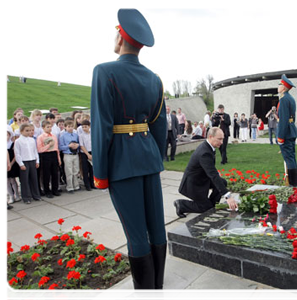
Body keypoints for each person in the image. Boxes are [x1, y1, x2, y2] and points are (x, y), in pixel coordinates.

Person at [90, 8, 167, 300]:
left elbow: (102, 127)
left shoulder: (104, 71)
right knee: (155, 228)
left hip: (122, 163)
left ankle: (143, 296)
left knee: (136, 233)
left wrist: (100, 173)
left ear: (121, 35)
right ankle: (156, 289)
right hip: (148, 159)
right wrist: (154, 159)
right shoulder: (154, 78)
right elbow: (158, 125)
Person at [174, 127, 238, 217]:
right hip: (193, 184)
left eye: (222, 139)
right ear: (211, 137)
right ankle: (181, 204)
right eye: (219, 139)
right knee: (205, 208)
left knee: (222, 182)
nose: (222, 142)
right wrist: (228, 196)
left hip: (201, 179)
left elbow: (209, 169)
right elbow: (213, 176)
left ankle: (211, 205)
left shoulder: (208, 146)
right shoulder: (205, 152)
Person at [277, 74, 297, 186]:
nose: (278, 86)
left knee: (289, 159)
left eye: (280, 84)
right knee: (292, 158)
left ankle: (293, 186)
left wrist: (280, 137)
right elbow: (292, 118)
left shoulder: (284, 99)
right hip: (291, 131)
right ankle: (294, 185)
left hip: (286, 133)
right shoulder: (290, 98)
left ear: (284, 87)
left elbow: (283, 120)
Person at [14, 124, 41, 204]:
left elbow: (35, 151)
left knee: (34, 179)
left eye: (30, 130)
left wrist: (37, 161)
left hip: (32, 160)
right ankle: (26, 197)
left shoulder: (32, 140)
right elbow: (17, 153)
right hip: (24, 161)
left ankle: (36, 195)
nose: (29, 132)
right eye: (27, 131)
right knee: (25, 180)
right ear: (21, 131)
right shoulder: (18, 141)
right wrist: (21, 164)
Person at [37, 120, 61, 198]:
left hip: (53, 154)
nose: (49, 128)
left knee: (55, 173)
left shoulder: (53, 136)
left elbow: (56, 148)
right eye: (47, 127)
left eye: (50, 127)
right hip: (45, 155)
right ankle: (47, 190)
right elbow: (40, 149)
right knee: (46, 174)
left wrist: (58, 158)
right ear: (43, 128)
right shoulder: (40, 137)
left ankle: (55, 189)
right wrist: (48, 145)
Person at [59, 120, 80, 193]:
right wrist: (68, 146)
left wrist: (77, 146)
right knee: (69, 171)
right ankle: (70, 187)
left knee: (76, 170)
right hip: (68, 154)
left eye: (71, 127)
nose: (70, 128)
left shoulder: (75, 135)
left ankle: (76, 185)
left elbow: (79, 143)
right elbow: (60, 147)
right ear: (65, 127)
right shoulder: (63, 136)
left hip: (75, 154)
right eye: (69, 127)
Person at [5, 125, 21, 204]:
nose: (5, 137)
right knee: (6, 181)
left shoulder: (12, 144)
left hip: (12, 163)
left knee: (12, 180)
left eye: (6, 135)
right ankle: (11, 195)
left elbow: (15, 155)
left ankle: (17, 194)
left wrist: (10, 164)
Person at [79, 120, 95, 190]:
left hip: (92, 152)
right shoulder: (81, 135)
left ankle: (93, 183)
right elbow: (82, 146)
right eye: (83, 127)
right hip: (85, 153)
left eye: (85, 127)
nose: (84, 128)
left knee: (92, 169)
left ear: (89, 126)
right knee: (85, 169)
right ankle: (87, 184)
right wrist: (88, 154)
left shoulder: (92, 134)